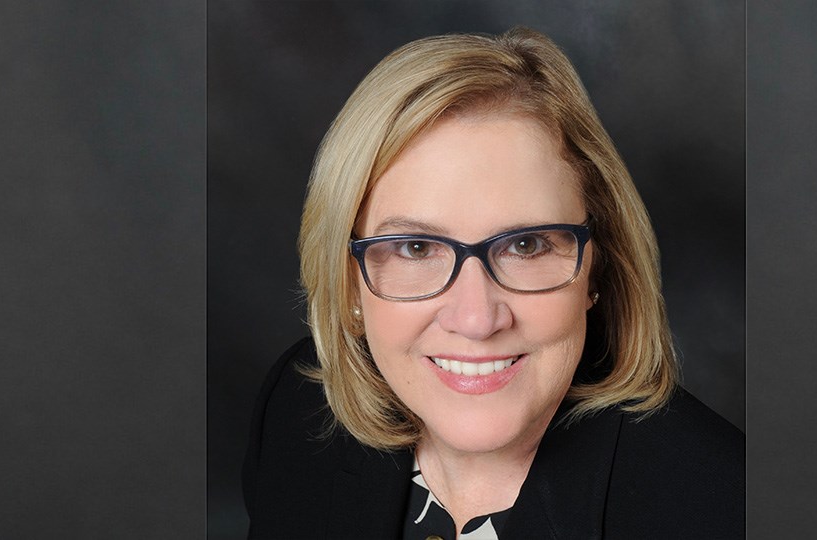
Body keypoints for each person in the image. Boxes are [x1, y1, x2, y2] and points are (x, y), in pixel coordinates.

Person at [243, 27, 743, 539]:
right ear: (349, 282)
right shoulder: (299, 410)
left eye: (525, 246)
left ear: (599, 266)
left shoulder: (724, 506)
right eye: (416, 248)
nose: (478, 319)